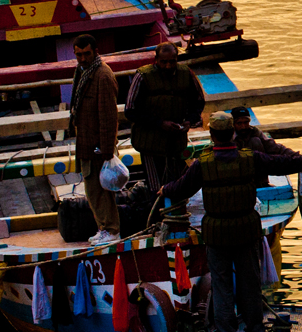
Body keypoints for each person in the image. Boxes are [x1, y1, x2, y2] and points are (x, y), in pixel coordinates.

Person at [159, 116, 302, 332]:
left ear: (212, 136)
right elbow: (279, 163)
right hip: (246, 231)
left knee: (222, 284)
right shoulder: (250, 158)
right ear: (233, 134)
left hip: (217, 233)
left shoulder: (202, 163)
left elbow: (181, 188)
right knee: (250, 282)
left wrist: (164, 189)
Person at [66, 33, 122, 244]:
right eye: (78, 54)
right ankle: (104, 227)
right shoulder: (83, 72)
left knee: (100, 191)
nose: (82, 58)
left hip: (99, 146)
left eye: (86, 54)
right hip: (87, 141)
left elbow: (109, 116)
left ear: (96, 52)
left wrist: (107, 150)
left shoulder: (102, 76)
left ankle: (111, 229)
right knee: (93, 190)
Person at [125, 43, 206, 190]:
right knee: (156, 188)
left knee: (176, 186)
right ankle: (158, 212)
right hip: (150, 145)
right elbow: (130, 111)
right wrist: (159, 123)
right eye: (164, 62)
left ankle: (175, 211)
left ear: (177, 59)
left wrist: (189, 121)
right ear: (156, 60)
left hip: (175, 143)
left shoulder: (186, 73)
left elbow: (199, 101)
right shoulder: (143, 76)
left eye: (172, 61)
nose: (168, 66)